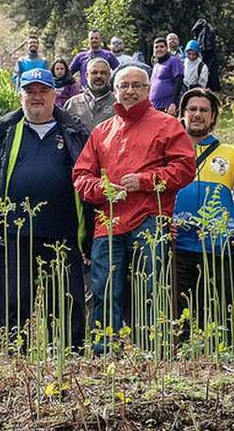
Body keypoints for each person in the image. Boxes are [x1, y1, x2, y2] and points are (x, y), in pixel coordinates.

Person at [73, 65, 195, 350]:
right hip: (109, 222)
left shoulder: (166, 124)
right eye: (123, 85)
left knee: (152, 287)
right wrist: (100, 189)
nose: (129, 91)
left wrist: (145, 181)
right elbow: (81, 175)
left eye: (136, 85)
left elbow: (185, 167)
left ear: (147, 89)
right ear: (115, 91)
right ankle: (106, 352)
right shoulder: (102, 131)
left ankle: (153, 351)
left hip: (150, 219)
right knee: (104, 288)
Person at [0, 68, 90, 351]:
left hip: (63, 235)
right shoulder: (3, 133)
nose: (36, 97)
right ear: (20, 95)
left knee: (64, 304)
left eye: (43, 91)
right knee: (10, 304)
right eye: (29, 91)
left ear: (54, 94)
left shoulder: (74, 132)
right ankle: (8, 361)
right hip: (14, 234)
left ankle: (66, 360)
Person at [172, 88, 234, 342]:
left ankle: (220, 360)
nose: (197, 115)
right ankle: (181, 367)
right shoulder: (167, 150)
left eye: (204, 110)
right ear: (182, 114)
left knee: (220, 312)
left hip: (220, 249)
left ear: (213, 117)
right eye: (192, 109)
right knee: (178, 315)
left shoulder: (232, 154)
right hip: (178, 246)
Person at [63, 58, 116, 130]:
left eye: (103, 73)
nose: (99, 76)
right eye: (94, 72)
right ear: (87, 75)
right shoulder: (72, 103)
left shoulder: (118, 103)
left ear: (109, 75)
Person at [149, 37, 185, 114]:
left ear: (167, 48)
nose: (159, 49)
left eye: (162, 47)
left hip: (167, 106)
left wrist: (173, 103)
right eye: (156, 47)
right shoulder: (156, 65)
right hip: (154, 106)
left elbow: (178, 82)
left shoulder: (174, 61)